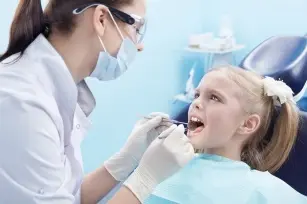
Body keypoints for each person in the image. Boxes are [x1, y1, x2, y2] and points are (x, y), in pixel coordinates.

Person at [0, 0, 195, 203]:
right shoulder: (23, 104)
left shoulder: (52, 90)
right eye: (136, 27)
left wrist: (126, 159)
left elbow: (66, 196)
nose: (139, 45)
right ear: (101, 19)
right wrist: (145, 180)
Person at [144, 66, 307, 204]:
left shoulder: (263, 191)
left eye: (214, 97)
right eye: (197, 95)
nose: (196, 103)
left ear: (247, 124)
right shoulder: (163, 167)